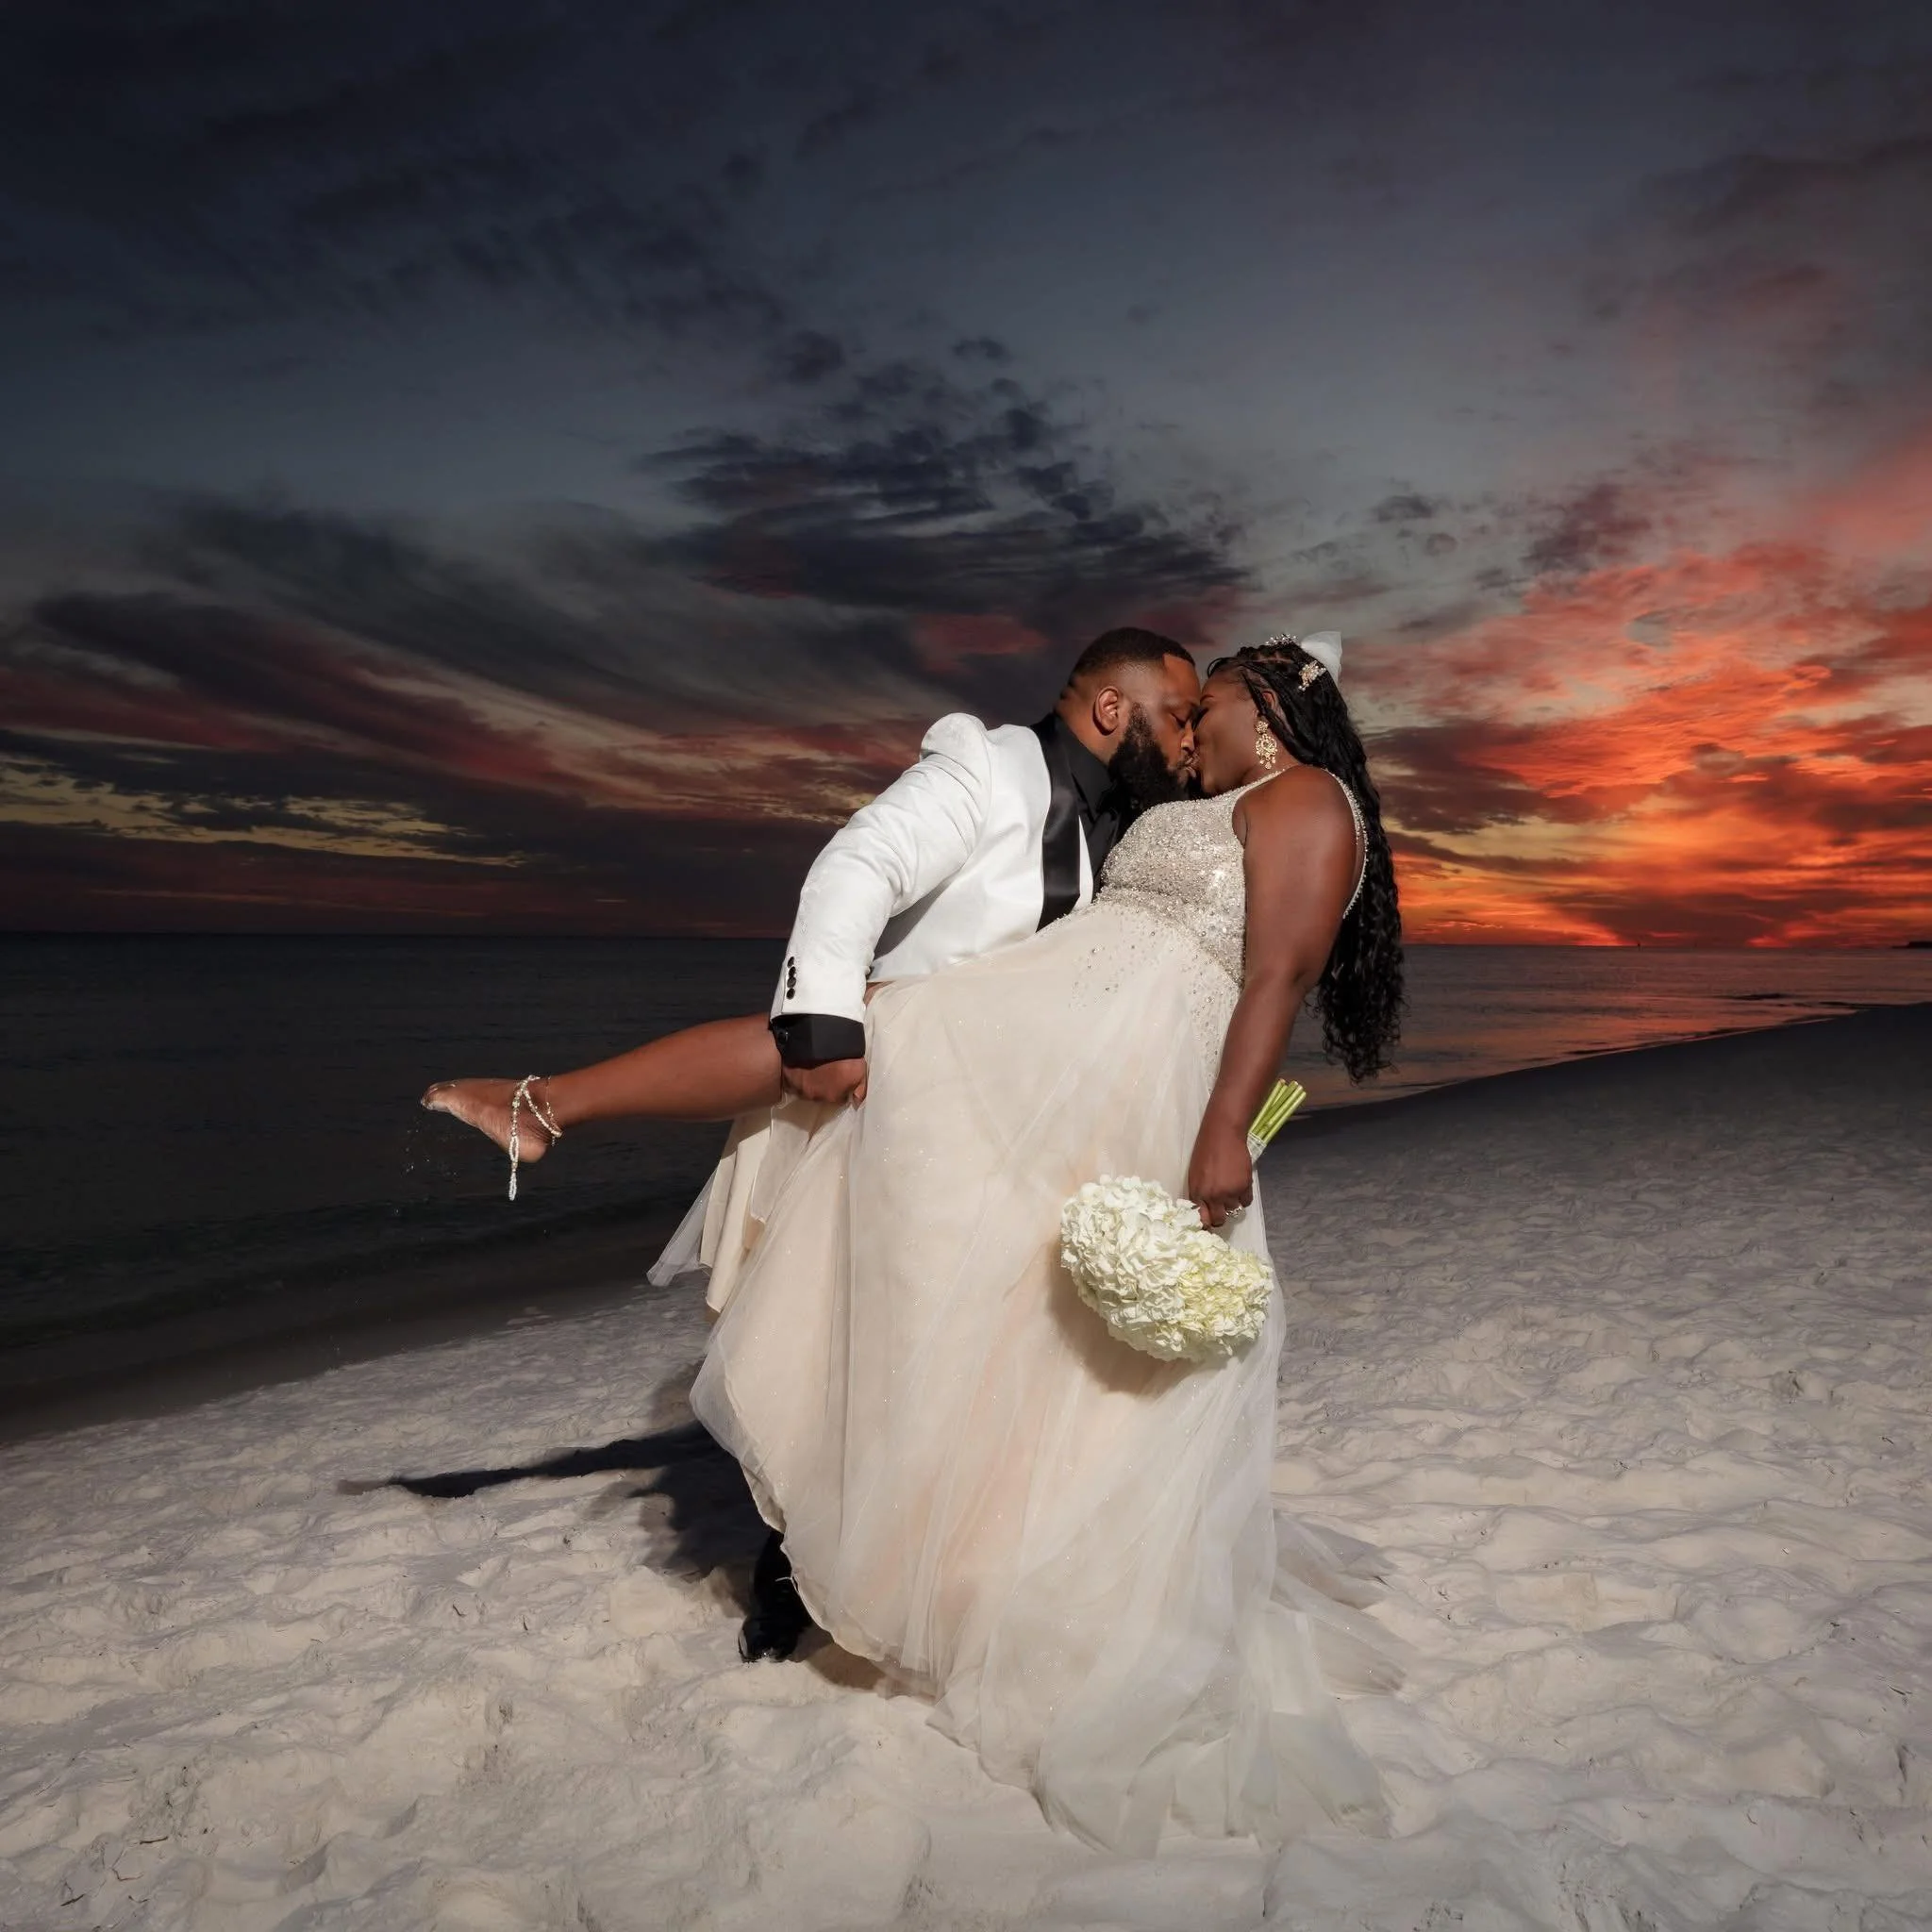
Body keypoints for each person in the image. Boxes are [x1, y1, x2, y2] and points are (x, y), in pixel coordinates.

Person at [425, 633, 1407, 1856]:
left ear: (1261, 711)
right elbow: (883, 864)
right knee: (941, 1212)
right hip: (1058, 1041)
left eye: (1202, 710)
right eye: (1179, 710)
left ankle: (546, 1106)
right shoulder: (1081, 782)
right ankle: (547, 1105)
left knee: (1022, 1287)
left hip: (1112, 1065)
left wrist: (1222, 1132)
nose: (1188, 734)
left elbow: (1276, 976)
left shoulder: (1306, 800)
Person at [426, 625, 1201, 1660]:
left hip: (1011, 1128)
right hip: (899, 1105)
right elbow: (859, 862)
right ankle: (796, 1567)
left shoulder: (1135, 822)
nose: (1185, 739)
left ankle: (926, 1559)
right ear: (1112, 707)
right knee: (866, 1343)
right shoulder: (985, 767)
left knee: (971, 1353)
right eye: (1177, 716)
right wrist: (825, 1021)